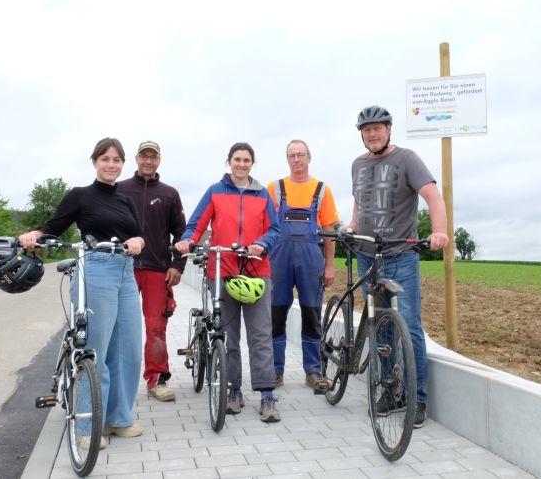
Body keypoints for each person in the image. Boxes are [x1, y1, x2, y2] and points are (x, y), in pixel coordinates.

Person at [19, 138, 146, 449]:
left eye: (117, 159)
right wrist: (35, 234)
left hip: (126, 272)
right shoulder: (80, 196)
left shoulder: (126, 200)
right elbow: (54, 226)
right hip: (96, 270)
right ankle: (87, 426)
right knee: (96, 351)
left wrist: (139, 241)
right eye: (105, 158)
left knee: (128, 350)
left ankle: (119, 419)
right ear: (95, 162)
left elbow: (137, 233)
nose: (111, 164)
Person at [348, 106, 449, 429]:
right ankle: (391, 393)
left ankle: (417, 397)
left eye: (378, 128)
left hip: (400, 255)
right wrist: (351, 225)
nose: (373, 134)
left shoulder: (406, 159)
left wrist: (439, 231)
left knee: (408, 324)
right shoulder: (358, 164)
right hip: (367, 254)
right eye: (367, 130)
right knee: (382, 327)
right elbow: (359, 199)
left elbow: (432, 195)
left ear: (389, 130)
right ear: (361, 134)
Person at [174, 142, 282, 422]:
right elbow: (197, 223)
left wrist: (261, 244)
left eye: (247, 160)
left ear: (252, 163)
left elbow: (275, 228)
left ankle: (267, 394)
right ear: (229, 162)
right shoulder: (215, 191)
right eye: (237, 159)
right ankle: (233, 390)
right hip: (222, 270)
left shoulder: (262, 194)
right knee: (228, 337)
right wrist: (189, 240)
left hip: (257, 271)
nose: (242, 164)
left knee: (260, 335)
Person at [117, 140, 187, 403]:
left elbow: (181, 233)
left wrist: (177, 265)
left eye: (153, 157)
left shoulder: (170, 193)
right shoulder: (120, 189)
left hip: (157, 270)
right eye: (144, 156)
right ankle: (115, 381)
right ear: (136, 159)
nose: (148, 161)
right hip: (122, 268)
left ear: (159, 161)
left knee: (156, 328)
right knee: (117, 328)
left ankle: (156, 380)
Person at [267, 140, 339, 389]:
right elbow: (264, 226)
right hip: (279, 260)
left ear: (309, 157)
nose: (296, 159)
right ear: (287, 159)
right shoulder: (274, 188)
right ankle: (275, 371)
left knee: (312, 314)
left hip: (311, 260)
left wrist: (329, 266)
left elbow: (329, 232)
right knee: (276, 315)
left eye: (300, 155)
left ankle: (313, 371)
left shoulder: (322, 189)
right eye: (292, 156)